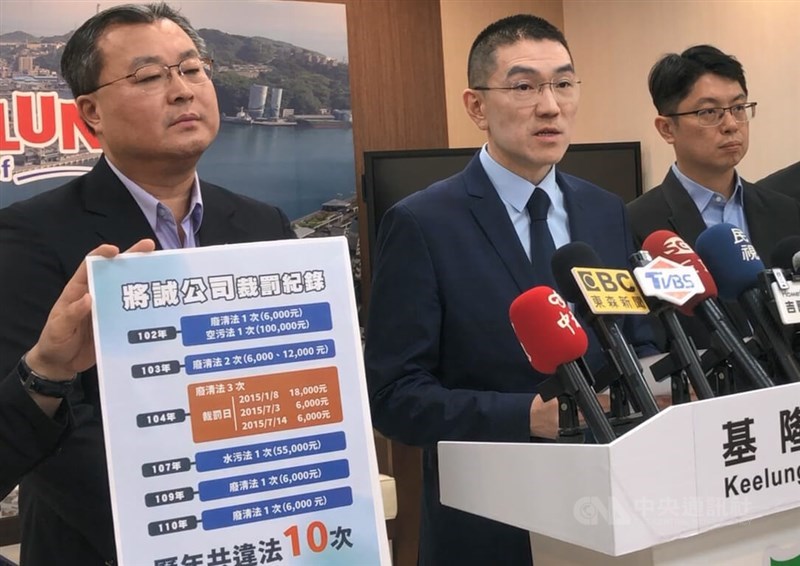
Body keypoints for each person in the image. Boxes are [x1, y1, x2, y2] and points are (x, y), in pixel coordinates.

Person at [0, 3, 295, 564]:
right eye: (149, 76)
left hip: (263, 533)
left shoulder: (264, 224)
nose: (182, 91)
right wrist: (190, 525)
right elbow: (45, 429)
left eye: (192, 69)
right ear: (91, 113)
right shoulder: (28, 235)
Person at [364, 14, 654, 565]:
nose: (551, 106)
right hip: (491, 529)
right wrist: (526, 415)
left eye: (563, 83)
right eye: (524, 87)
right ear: (477, 107)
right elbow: (395, 397)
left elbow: (636, 340)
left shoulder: (605, 211)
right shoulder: (423, 223)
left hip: (611, 513)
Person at [627, 45, 800, 349]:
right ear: (667, 128)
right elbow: (643, 339)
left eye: (738, 108)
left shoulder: (785, 211)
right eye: (709, 112)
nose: (731, 125)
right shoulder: (635, 224)